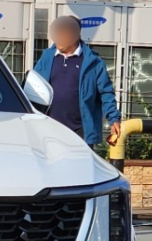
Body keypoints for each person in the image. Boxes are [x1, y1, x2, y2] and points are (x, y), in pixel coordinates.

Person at [34, 15, 121, 145]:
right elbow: (33, 87)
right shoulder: (46, 57)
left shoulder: (93, 62)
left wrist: (113, 118)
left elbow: (105, 92)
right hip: (49, 129)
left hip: (81, 131)